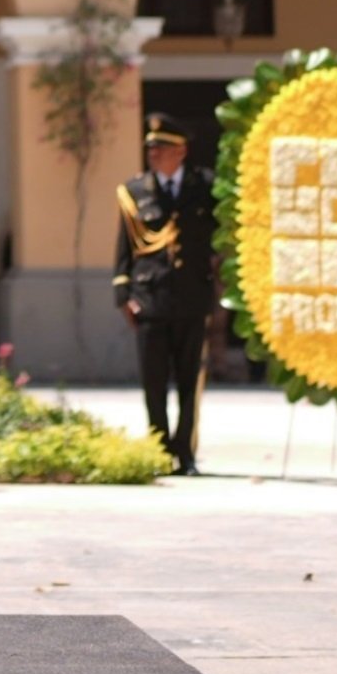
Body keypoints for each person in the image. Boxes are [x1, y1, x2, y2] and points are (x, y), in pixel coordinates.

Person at [113, 113, 217, 475]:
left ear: (181, 151)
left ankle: (185, 453)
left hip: (191, 296)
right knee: (153, 381)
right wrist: (122, 293)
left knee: (190, 380)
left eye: (162, 148)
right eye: (151, 148)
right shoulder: (135, 192)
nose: (154, 153)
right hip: (150, 298)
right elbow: (124, 248)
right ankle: (159, 450)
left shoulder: (205, 186)